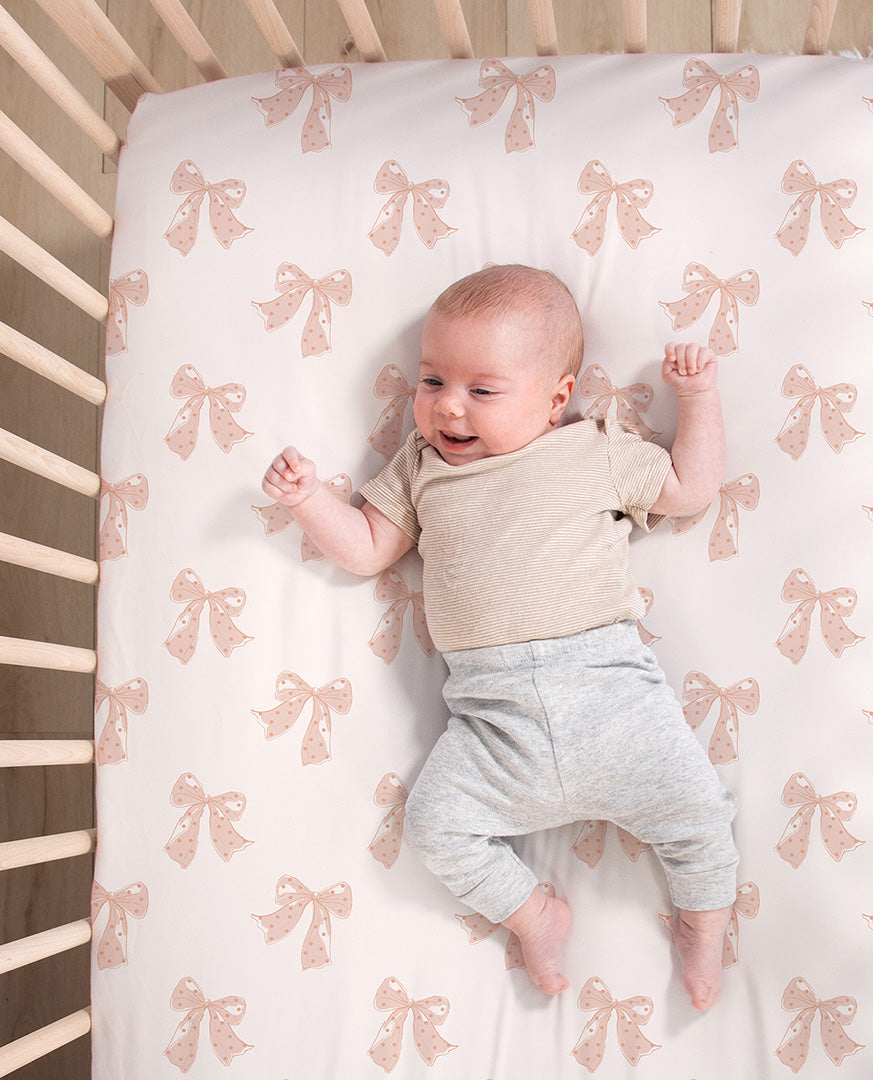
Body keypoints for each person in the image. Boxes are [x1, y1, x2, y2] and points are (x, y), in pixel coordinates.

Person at [262, 264, 737, 1010]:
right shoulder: (419, 469)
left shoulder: (595, 450)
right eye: (430, 382)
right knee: (433, 826)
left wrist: (699, 398)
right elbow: (365, 548)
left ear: (556, 397)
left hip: (613, 702)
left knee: (702, 816)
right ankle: (533, 913)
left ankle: (704, 926)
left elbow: (692, 488)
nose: (449, 407)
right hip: (495, 724)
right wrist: (310, 501)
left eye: (482, 391)